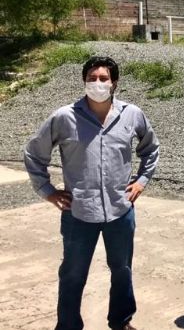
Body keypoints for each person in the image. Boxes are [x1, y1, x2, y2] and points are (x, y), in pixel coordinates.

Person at [23, 56, 160, 330]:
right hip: (78, 213)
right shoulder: (64, 117)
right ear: (84, 82)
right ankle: (68, 325)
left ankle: (121, 321)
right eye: (92, 78)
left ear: (114, 83)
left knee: (122, 270)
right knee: (73, 274)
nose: (97, 83)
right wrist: (48, 191)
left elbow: (151, 148)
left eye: (103, 78)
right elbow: (33, 154)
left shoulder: (132, 114)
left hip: (120, 211)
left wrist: (142, 180)